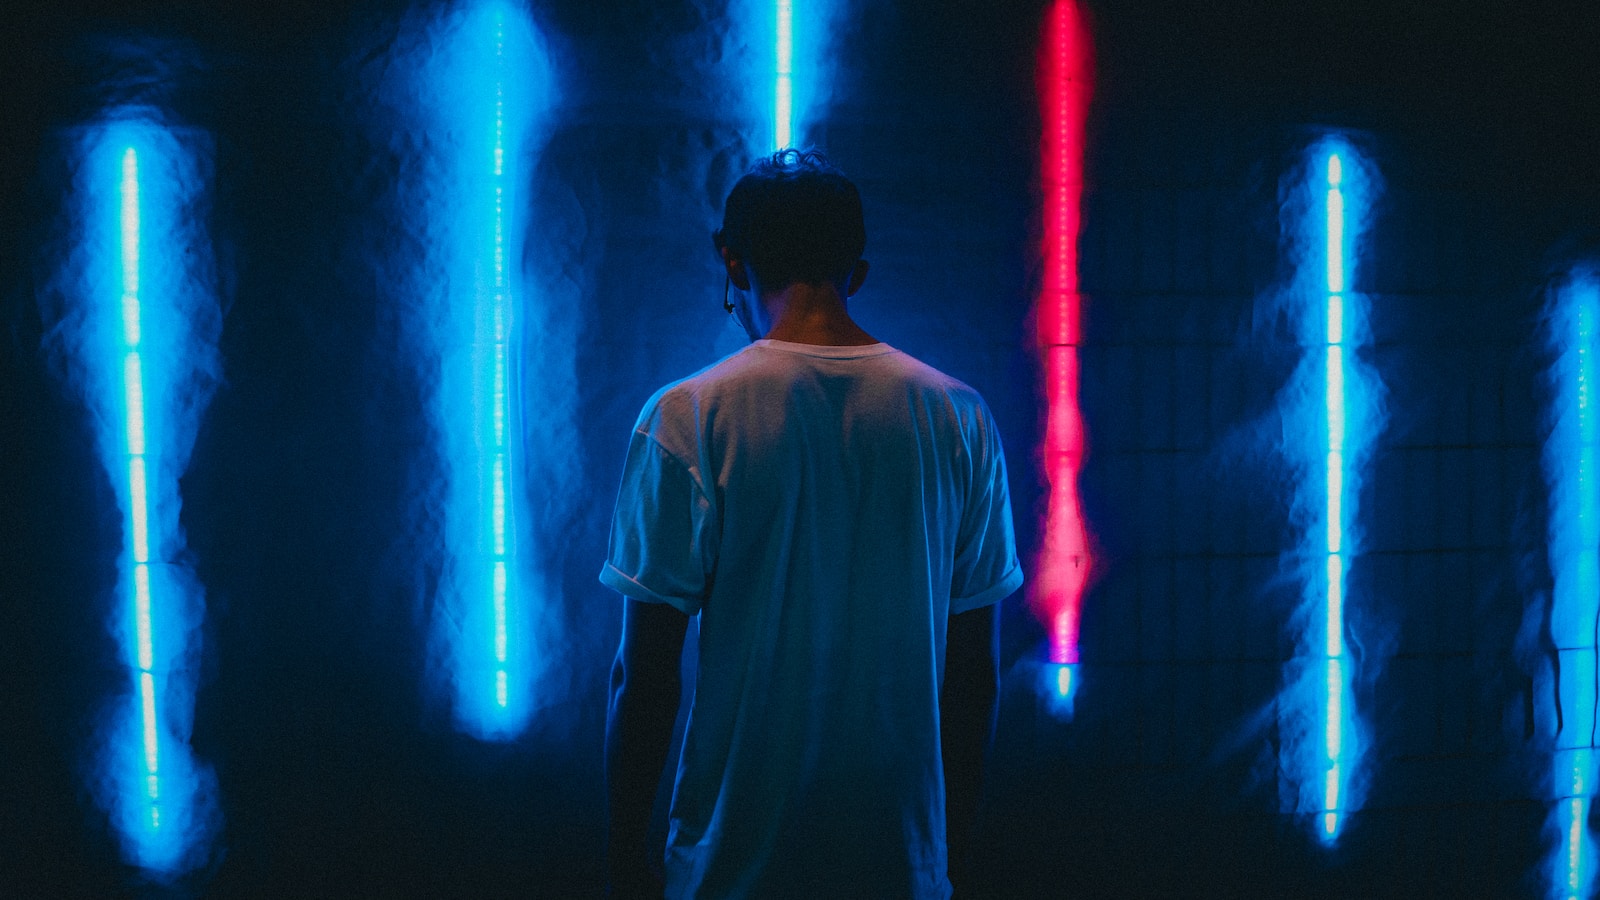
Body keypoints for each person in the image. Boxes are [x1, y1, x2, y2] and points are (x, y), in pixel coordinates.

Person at [601, 149, 1022, 899]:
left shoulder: (688, 416)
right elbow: (974, 673)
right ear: (856, 270)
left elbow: (646, 673)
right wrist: (952, 851)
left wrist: (624, 857)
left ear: (731, 260)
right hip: (902, 863)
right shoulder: (959, 417)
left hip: (732, 866)